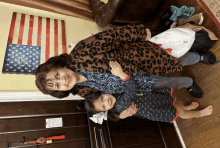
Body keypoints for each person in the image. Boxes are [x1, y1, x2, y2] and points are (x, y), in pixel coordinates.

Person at [35, 23, 217, 98]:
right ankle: (189, 82)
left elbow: (110, 36)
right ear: (60, 91)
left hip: (141, 59)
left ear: (59, 66)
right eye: (57, 85)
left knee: (173, 60)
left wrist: (138, 32)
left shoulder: (80, 52)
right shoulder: (82, 91)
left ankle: (198, 57)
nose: (62, 81)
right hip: (140, 84)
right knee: (169, 80)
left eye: (57, 75)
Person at [84, 61, 213, 123]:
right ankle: (201, 114)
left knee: (175, 107)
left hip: (152, 101)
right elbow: (131, 89)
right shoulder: (119, 105)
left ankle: (188, 107)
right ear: (106, 110)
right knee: (178, 112)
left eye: (102, 99)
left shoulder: (114, 97)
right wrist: (122, 74)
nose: (106, 101)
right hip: (153, 108)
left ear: (102, 93)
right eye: (104, 106)